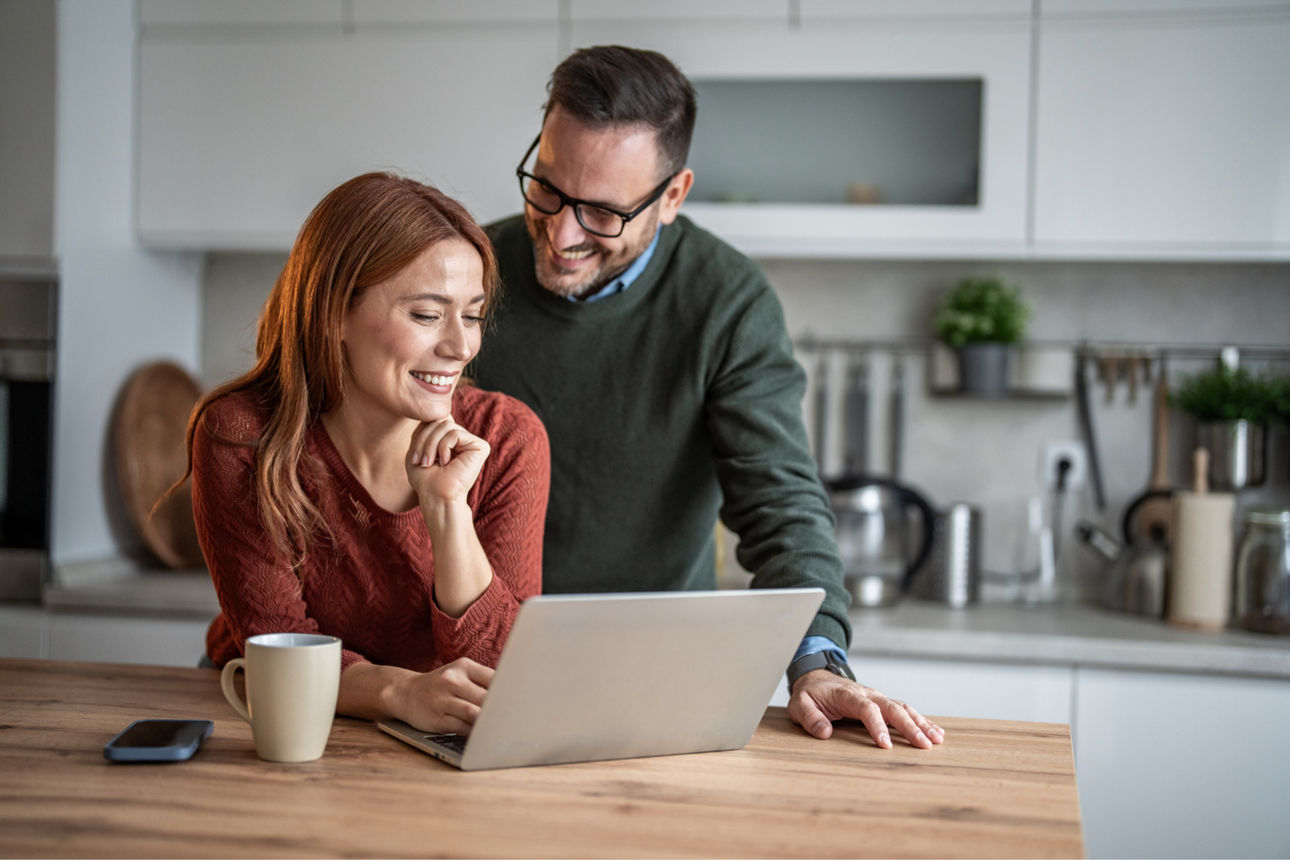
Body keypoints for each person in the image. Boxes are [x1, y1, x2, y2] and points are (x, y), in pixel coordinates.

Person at [470, 45, 943, 750]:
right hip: (471, 674)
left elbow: (780, 501)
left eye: (602, 213)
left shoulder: (727, 303)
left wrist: (815, 661)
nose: (562, 232)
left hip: (654, 683)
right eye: (546, 186)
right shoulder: (466, 273)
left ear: (672, 196)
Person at [184, 172, 550, 736]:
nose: (461, 346)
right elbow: (277, 651)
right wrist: (400, 690)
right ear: (334, 313)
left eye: (472, 314)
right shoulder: (241, 436)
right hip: (275, 716)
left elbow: (503, 675)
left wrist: (448, 510)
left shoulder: (507, 438)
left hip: (439, 729)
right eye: (427, 315)